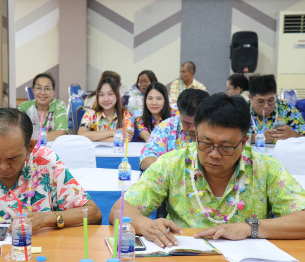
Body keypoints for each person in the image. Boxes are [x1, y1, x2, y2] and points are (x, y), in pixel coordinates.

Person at [110, 93, 305, 248]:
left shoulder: (266, 168)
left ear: (244, 142)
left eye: (226, 147)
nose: (214, 154)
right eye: (206, 143)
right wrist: (145, 225)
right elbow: (119, 210)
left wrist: (249, 229)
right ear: (196, 134)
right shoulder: (173, 163)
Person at [140, 88, 209, 171]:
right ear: (179, 114)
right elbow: (146, 160)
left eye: (197, 123)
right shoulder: (167, 127)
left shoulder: (218, 129)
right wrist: (175, 171)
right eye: (187, 123)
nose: (193, 128)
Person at [248, 74, 305, 144]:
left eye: (271, 100)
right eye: (260, 102)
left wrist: (294, 135)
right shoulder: (242, 108)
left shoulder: (286, 107)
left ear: (276, 94)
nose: (266, 106)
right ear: (250, 97)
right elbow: (232, 139)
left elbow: (303, 137)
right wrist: (254, 138)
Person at [78, 77, 134, 142]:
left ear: (117, 95)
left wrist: (94, 138)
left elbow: (126, 139)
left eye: (110, 94)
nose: (106, 99)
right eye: (101, 95)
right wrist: (113, 132)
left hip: (118, 151)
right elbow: (81, 134)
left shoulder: (127, 114)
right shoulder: (90, 113)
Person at [18, 73, 68, 141]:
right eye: (38, 88)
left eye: (47, 89)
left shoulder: (58, 105)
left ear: (53, 91)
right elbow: (16, 131)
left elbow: (61, 132)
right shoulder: (25, 107)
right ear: (33, 90)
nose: (42, 92)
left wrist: (34, 139)